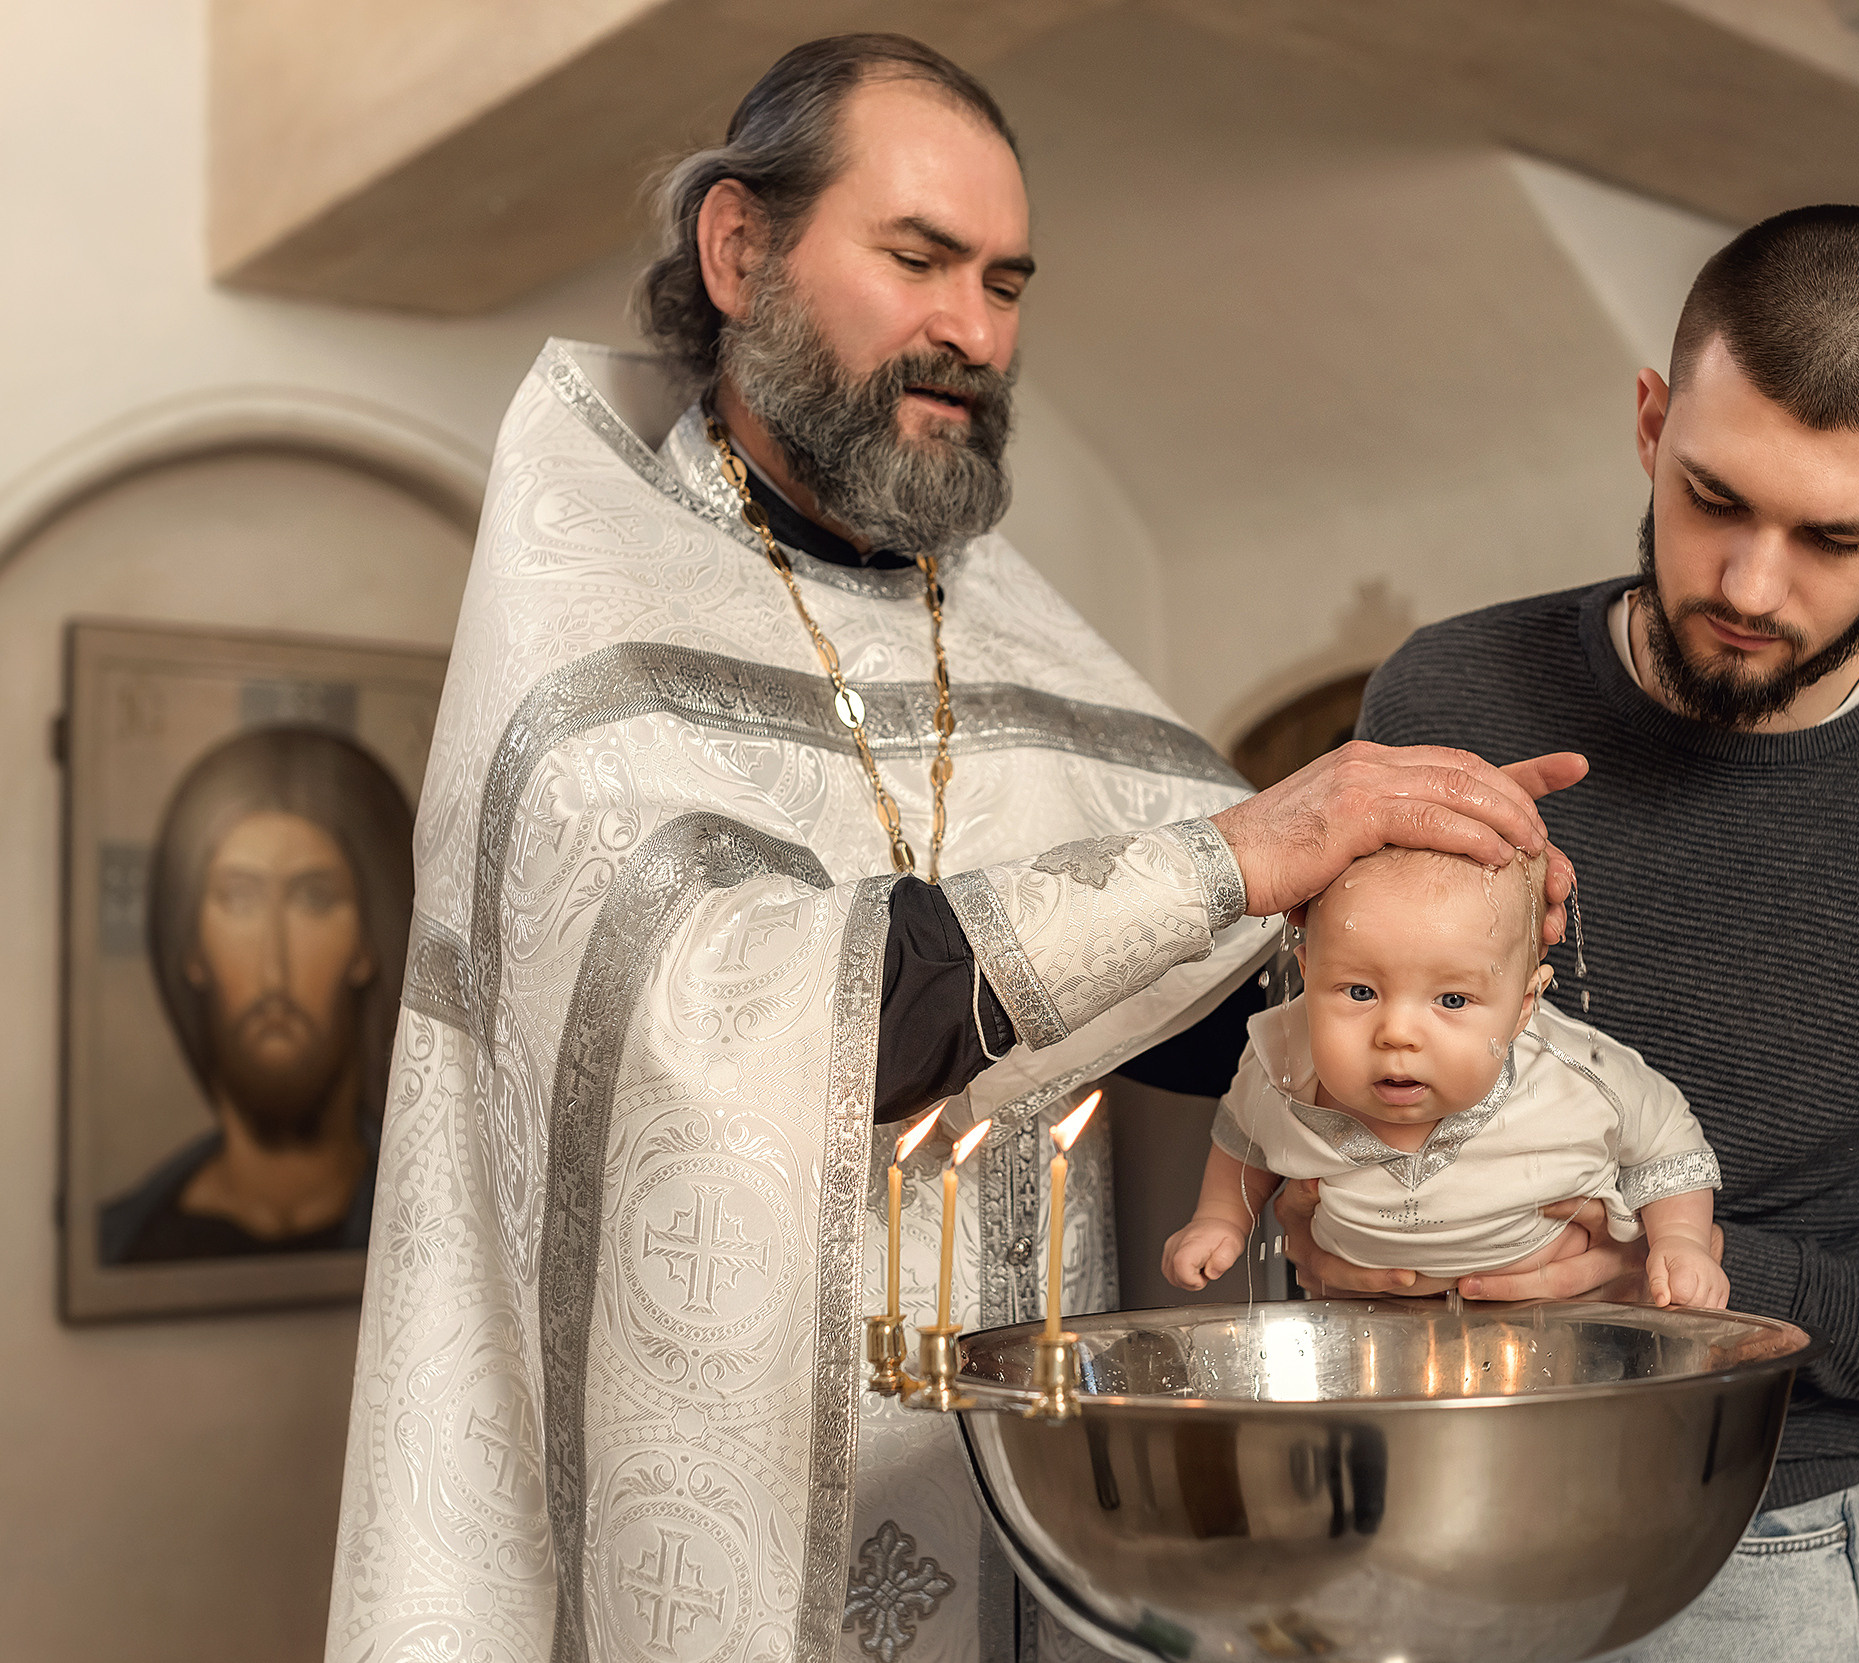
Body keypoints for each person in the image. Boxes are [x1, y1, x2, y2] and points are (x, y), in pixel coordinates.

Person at [324, 34, 1579, 1663]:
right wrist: (1249, 847)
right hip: (702, 1527)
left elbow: (1196, 1002)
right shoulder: (586, 639)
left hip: (1022, 1517)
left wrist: (1411, 928)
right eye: (918, 259)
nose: (972, 333)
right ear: (739, 252)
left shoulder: (1015, 636)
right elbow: (725, 1018)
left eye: (1005, 283)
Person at [1310, 206, 1859, 1661]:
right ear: (1650, 420)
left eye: (1837, 536)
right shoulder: (1446, 694)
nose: (1754, 586)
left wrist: (1669, 1271)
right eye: (1715, 498)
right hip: (1394, 1501)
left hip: (1744, 1565)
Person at [1162, 847, 1724, 1308]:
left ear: (1523, 1005)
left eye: (1452, 999)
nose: (1397, 1033)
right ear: (1307, 973)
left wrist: (1680, 1240)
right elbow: (1242, 1138)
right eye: (1360, 992)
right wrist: (1220, 1218)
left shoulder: (1575, 1074)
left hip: (1556, 1323)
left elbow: (1667, 1140)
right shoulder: (1280, 1065)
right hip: (1365, 1322)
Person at [100, 726, 413, 1263]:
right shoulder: (128, 1242)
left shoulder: (438, 1238)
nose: (274, 969)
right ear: (193, 947)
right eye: (238, 900)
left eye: (314, 901)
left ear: (365, 947)